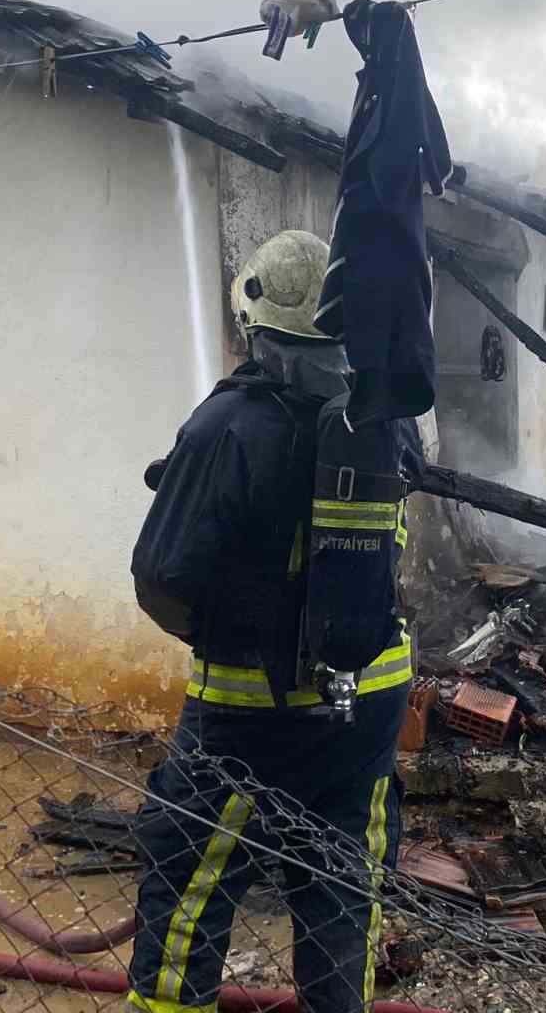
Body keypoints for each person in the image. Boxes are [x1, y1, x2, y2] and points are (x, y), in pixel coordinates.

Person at [127, 229, 417, 1013]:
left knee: (189, 880)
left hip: (252, 712)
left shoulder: (226, 428)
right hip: (371, 697)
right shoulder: (388, 415)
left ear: (258, 327)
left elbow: (161, 579)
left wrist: (229, 636)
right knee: (340, 883)